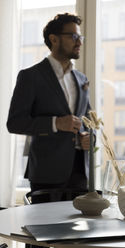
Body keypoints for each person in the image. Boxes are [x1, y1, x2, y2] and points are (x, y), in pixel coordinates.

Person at [7, 12, 92, 202]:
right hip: (46, 174)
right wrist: (56, 123)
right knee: (46, 231)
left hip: (80, 172)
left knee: (78, 231)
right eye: (74, 36)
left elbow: (88, 120)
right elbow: (14, 123)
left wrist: (88, 137)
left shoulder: (81, 79)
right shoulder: (30, 76)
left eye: (81, 37)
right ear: (54, 39)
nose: (79, 42)